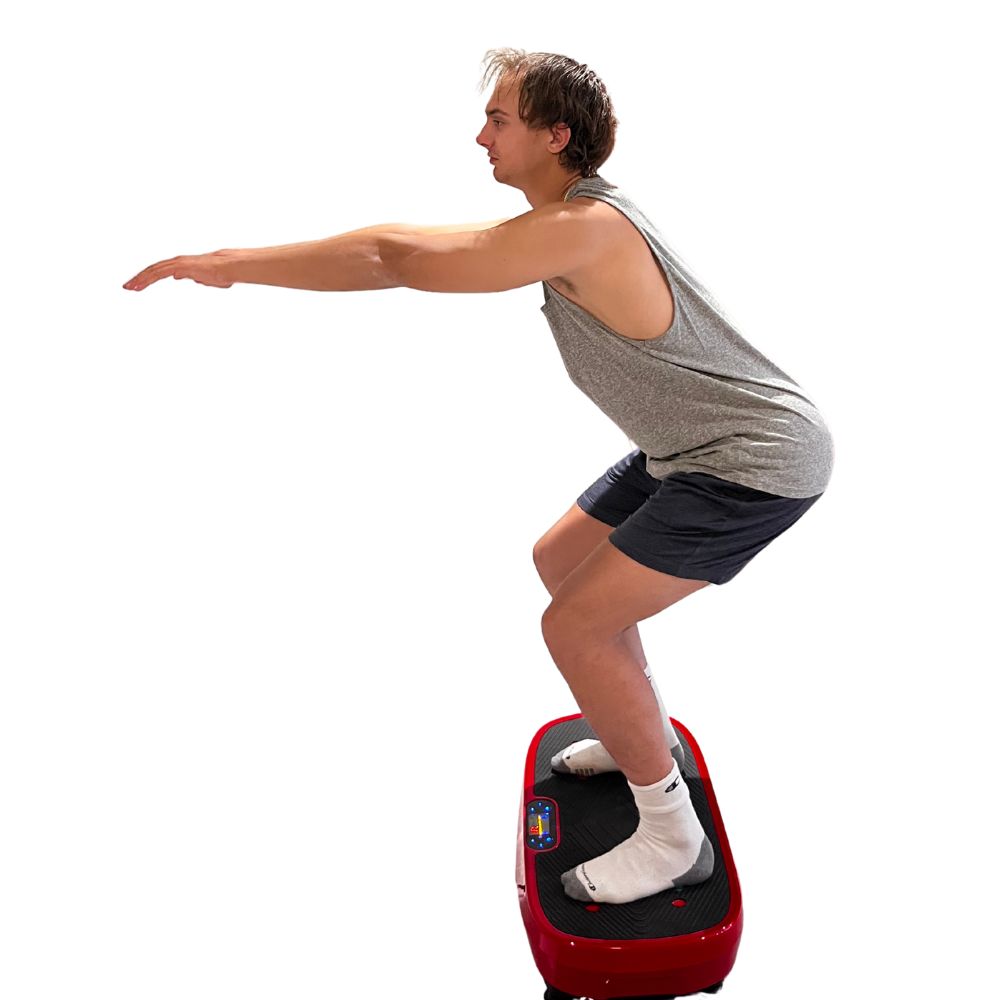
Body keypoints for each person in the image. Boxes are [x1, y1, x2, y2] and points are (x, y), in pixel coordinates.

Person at [122, 47, 834, 906]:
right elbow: (394, 253)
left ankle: (671, 836)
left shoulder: (584, 229)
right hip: (688, 449)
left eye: (499, 120)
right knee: (561, 560)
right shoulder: (572, 219)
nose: (479, 136)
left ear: (555, 135)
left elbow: (395, 258)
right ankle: (639, 731)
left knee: (572, 627)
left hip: (749, 461)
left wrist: (230, 261)